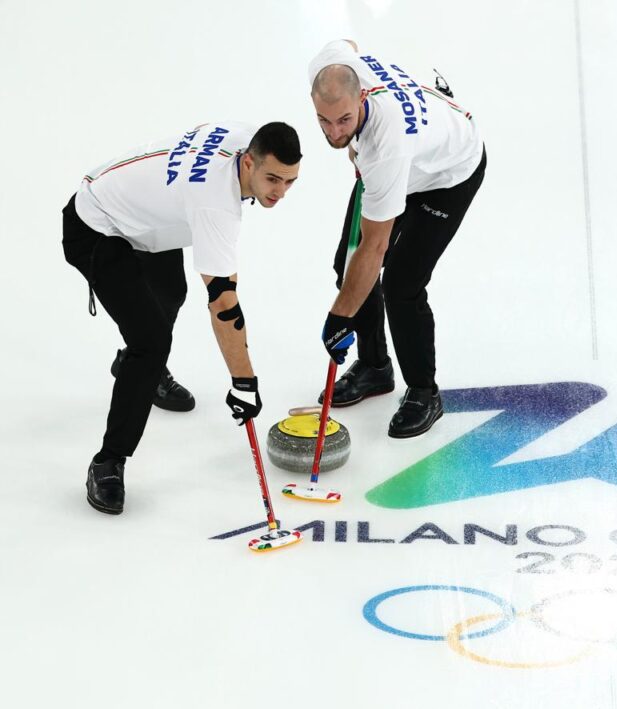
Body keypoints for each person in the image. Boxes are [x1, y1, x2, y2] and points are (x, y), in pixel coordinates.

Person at [63, 121, 302, 514]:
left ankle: (141, 372)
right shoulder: (216, 204)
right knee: (151, 340)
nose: (279, 192)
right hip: (96, 226)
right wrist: (243, 382)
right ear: (247, 163)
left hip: (147, 222)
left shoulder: (245, 141)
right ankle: (108, 461)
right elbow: (224, 304)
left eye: (290, 181)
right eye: (272, 179)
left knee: (171, 292)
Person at [308, 39, 486, 439]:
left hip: (448, 173)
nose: (334, 131)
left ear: (364, 95)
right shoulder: (330, 66)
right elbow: (346, 43)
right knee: (347, 267)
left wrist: (338, 318)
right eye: (324, 120)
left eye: (344, 120)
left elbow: (375, 247)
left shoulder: (385, 148)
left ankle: (424, 392)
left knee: (401, 283)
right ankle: (374, 368)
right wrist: (352, 140)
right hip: (401, 163)